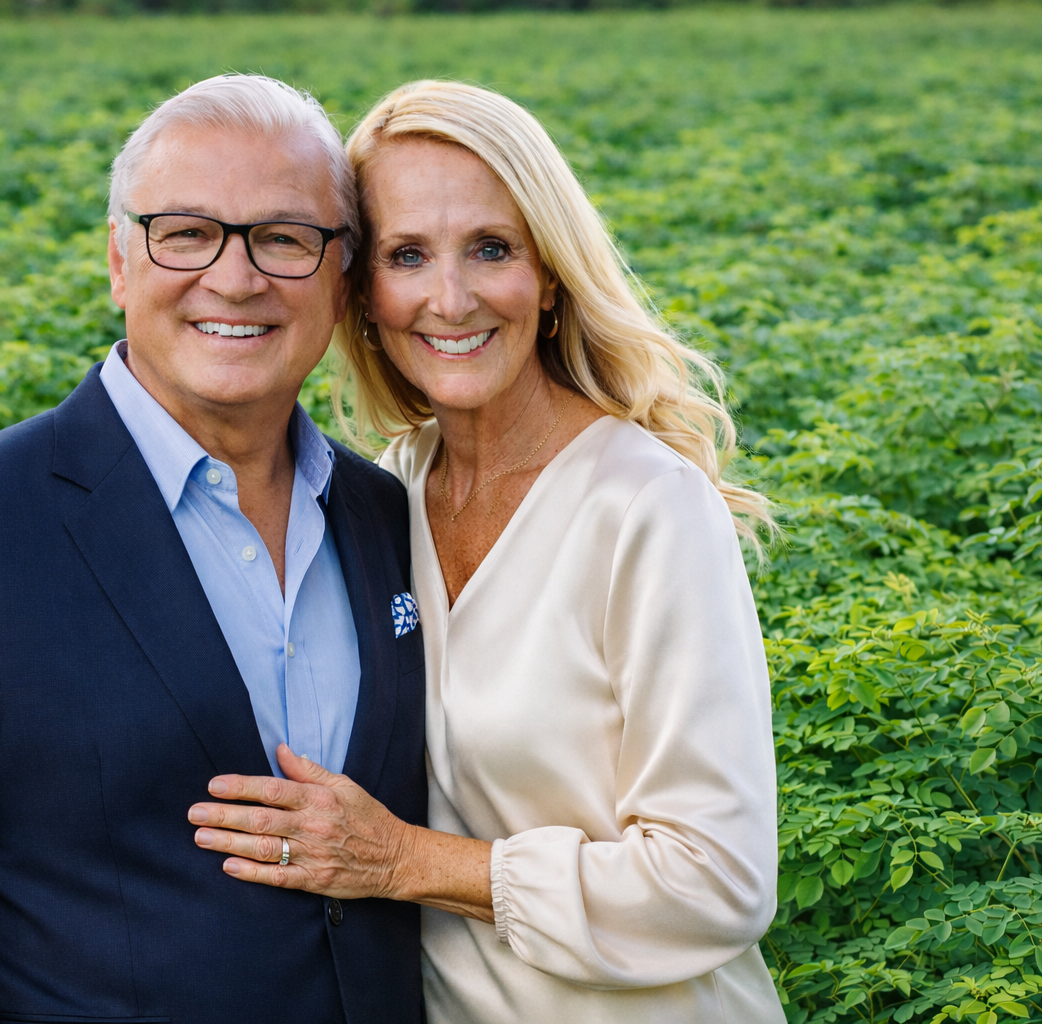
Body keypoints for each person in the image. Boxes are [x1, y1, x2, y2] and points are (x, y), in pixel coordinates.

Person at [0, 74, 427, 1024]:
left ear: (342, 277)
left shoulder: (387, 514)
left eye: (284, 238)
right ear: (121, 261)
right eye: (187, 232)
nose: (235, 278)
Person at [187, 80, 786, 1022]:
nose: (450, 298)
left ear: (548, 274)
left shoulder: (645, 507)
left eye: (491, 249)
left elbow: (718, 881)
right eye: (407, 255)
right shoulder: (383, 493)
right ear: (362, 294)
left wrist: (403, 862)